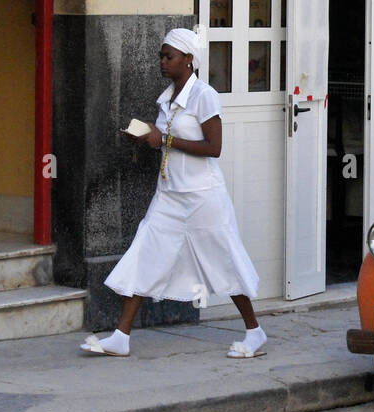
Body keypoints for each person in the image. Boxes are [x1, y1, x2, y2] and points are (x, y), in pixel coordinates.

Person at [81, 28, 265, 359]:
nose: (162, 62)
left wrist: (163, 139)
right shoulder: (167, 99)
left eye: (170, 56)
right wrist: (145, 137)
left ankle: (255, 331)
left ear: (189, 60)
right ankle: (121, 336)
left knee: (223, 260)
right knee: (144, 253)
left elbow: (214, 147)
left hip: (203, 197)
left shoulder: (204, 95)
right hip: (169, 195)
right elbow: (166, 140)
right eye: (161, 56)